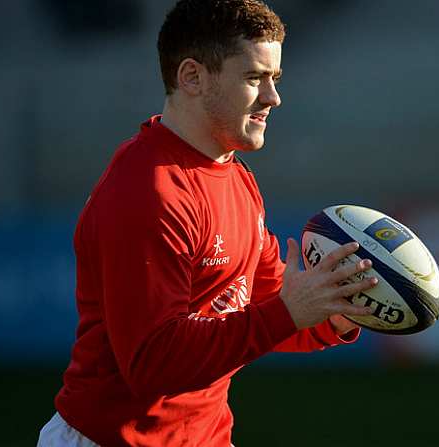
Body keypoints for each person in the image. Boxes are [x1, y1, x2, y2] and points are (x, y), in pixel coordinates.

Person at [38, 1, 377, 445]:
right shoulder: (149, 190)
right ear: (192, 77)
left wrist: (334, 311)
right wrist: (290, 312)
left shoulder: (234, 174)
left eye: (274, 79)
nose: (273, 98)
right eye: (254, 78)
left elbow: (269, 300)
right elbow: (153, 364)